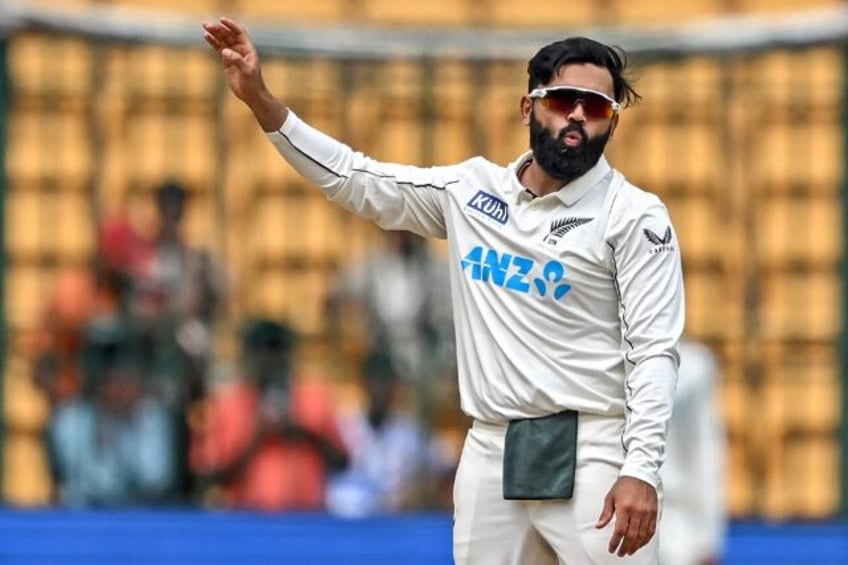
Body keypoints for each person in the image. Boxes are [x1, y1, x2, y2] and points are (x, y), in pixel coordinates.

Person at [203, 18, 684, 563]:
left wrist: (640, 469)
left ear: (611, 125)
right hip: (492, 447)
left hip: (595, 447)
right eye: (566, 99)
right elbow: (356, 181)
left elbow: (654, 352)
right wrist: (263, 102)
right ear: (529, 107)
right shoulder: (471, 192)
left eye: (597, 108)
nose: (578, 115)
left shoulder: (635, 216)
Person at [189, 319, 348, 512]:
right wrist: (257, 437)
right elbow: (211, 476)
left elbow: (342, 462)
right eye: (262, 351)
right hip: (250, 519)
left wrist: (303, 431)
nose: (271, 359)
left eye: (278, 350)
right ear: (248, 355)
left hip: (307, 518)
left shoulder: (314, 397)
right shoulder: (230, 405)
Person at [326, 348, 434, 517]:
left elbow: (428, 482)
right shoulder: (345, 424)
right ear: (364, 384)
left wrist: (411, 495)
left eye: (385, 383)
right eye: (374, 381)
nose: (379, 390)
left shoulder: (410, 432)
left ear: (393, 387)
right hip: (351, 524)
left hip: (395, 524)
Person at [658, 338, 727, 565]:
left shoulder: (694, 366)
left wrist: (709, 537)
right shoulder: (600, 356)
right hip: (608, 517)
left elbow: (706, 453)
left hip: (677, 522)